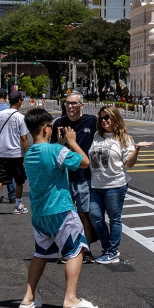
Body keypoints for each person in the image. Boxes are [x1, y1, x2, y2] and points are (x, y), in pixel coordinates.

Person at [19, 107, 97, 308]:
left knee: (41, 253)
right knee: (77, 249)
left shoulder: (29, 154)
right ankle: (70, 299)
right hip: (61, 209)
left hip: (40, 213)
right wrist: (72, 142)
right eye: (52, 127)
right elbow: (84, 162)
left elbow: (51, 163)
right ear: (45, 128)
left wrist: (61, 146)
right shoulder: (56, 150)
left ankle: (28, 298)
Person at [89, 106, 152, 265]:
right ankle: (108, 249)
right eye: (101, 118)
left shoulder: (124, 138)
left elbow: (128, 164)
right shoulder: (97, 135)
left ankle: (111, 252)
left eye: (107, 118)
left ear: (115, 119)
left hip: (115, 185)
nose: (103, 121)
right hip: (96, 184)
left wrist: (137, 149)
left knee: (114, 219)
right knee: (95, 217)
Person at [53, 92, 98, 261]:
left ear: (81, 105)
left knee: (84, 214)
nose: (70, 106)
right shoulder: (59, 123)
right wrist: (59, 143)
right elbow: (53, 151)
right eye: (67, 103)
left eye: (73, 103)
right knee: (64, 214)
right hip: (63, 177)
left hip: (84, 176)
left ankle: (85, 250)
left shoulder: (91, 121)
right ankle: (67, 249)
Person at [0, 90, 30, 217]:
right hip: (16, 154)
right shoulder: (20, 117)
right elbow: (24, 138)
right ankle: (17, 205)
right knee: (19, 181)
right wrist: (26, 154)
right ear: (19, 101)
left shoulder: (0, 115)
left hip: (1, 153)